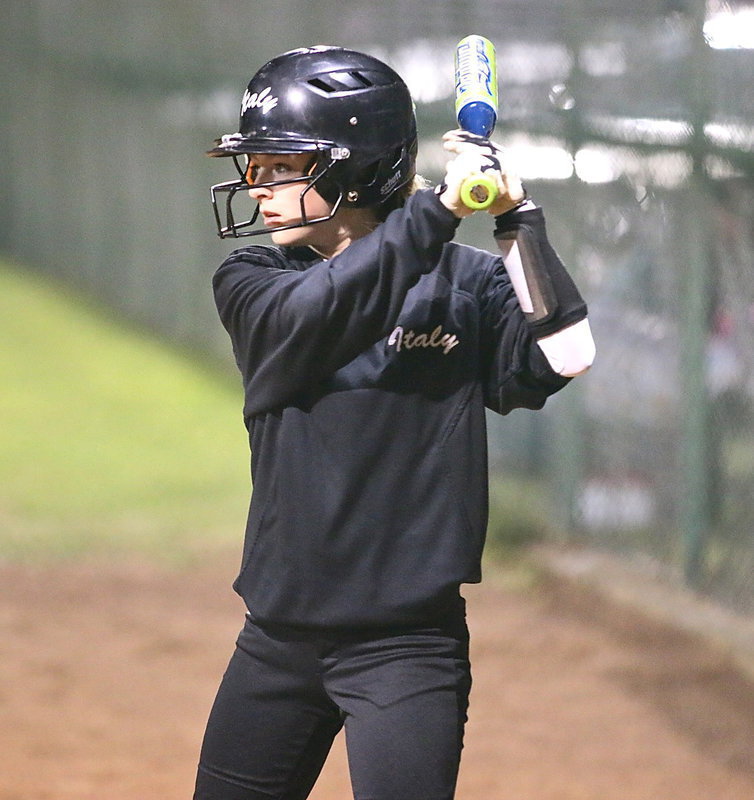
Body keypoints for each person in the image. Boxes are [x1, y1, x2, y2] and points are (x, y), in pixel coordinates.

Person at [195, 45, 595, 800]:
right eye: (259, 167)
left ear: (356, 171)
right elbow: (333, 309)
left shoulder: (468, 286)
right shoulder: (256, 283)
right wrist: (437, 211)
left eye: (284, 166)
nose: (260, 187)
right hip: (275, 643)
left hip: (405, 651)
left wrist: (516, 217)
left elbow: (566, 354)